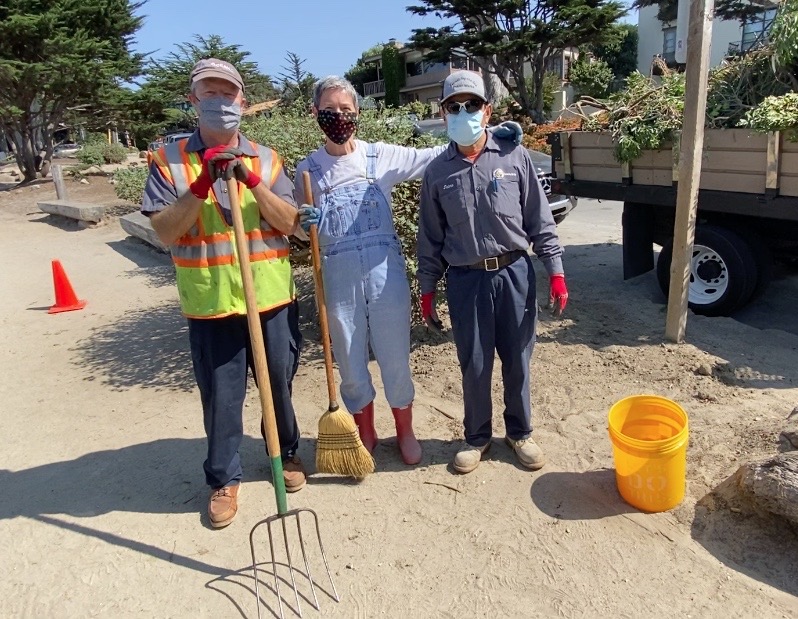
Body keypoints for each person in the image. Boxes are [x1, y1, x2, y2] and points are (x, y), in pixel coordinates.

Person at [294, 75, 521, 466]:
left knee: (395, 356)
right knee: (348, 359)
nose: (338, 117)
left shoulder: (377, 155)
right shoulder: (307, 170)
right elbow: (297, 230)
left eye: (346, 110)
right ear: (315, 113)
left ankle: (405, 431)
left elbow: (433, 155)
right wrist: (302, 221)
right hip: (337, 275)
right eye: (330, 110)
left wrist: (489, 133)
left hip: (385, 276)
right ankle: (364, 431)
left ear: (358, 114)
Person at [141, 58, 306, 529]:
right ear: (192, 100)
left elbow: (291, 224)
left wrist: (250, 179)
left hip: (270, 297)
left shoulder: (268, 158)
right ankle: (223, 479)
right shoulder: (168, 160)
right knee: (221, 396)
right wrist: (201, 184)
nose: (219, 102)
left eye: (227, 94)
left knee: (279, 383)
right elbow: (167, 233)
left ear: (243, 102)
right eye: (208, 93)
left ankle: (285, 452)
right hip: (212, 301)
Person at [416, 70, 569, 475]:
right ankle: (477, 436)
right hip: (466, 280)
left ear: (487, 110)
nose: (462, 112)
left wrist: (555, 270)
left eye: (471, 105)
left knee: (518, 358)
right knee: (476, 362)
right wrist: (427, 290)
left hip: (514, 272)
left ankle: (519, 432)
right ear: (443, 112)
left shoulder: (512, 157)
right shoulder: (437, 173)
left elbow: (540, 220)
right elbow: (430, 239)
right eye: (454, 106)